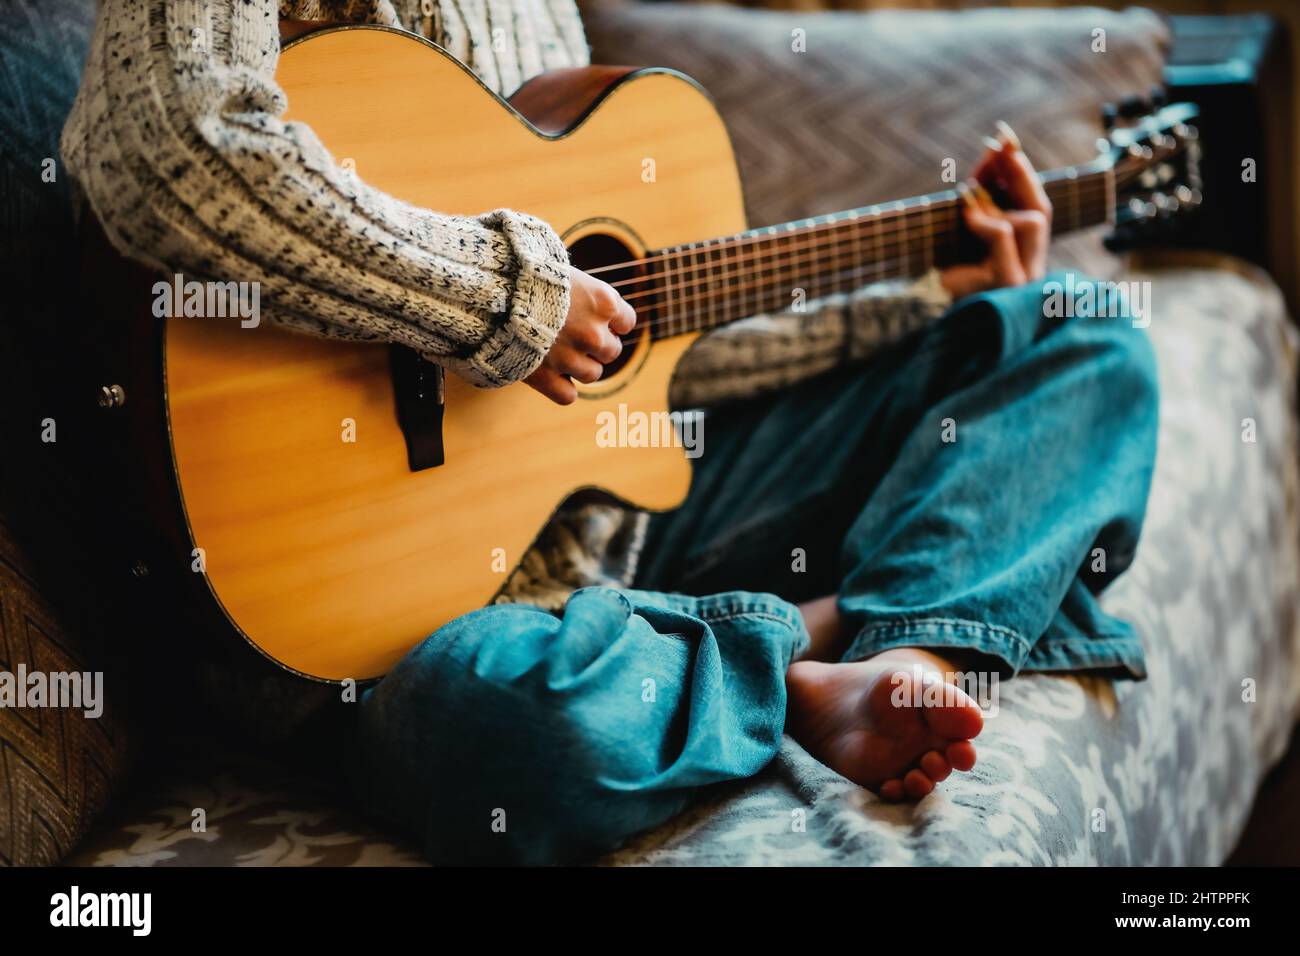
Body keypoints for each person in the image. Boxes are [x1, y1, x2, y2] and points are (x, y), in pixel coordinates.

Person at [61, 0, 1157, 864]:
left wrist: (923, 302)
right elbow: (166, 149)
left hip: (613, 531)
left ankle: (884, 641)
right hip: (395, 630)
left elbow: (629, 360)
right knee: (501, 725)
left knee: (1080, 330)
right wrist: (504, 301)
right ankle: (808, 641)